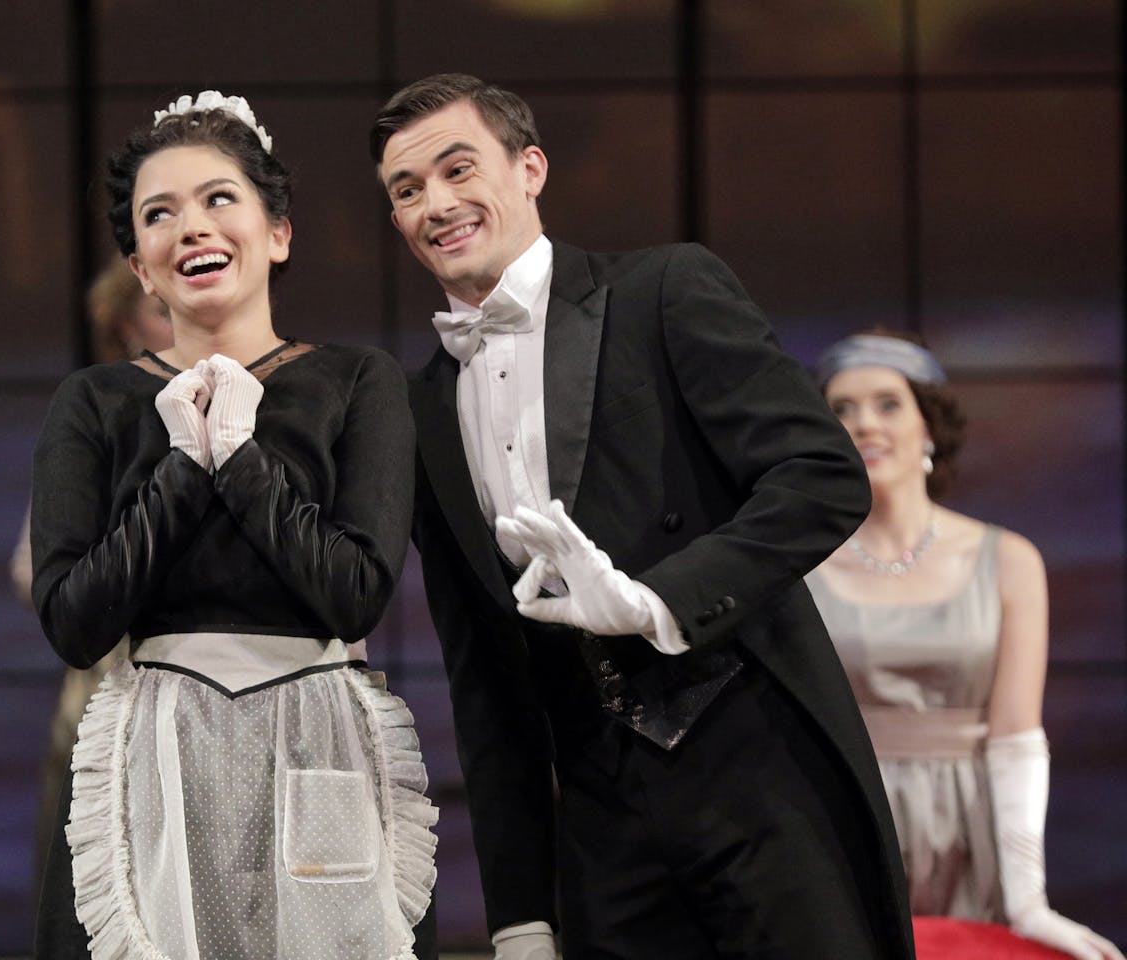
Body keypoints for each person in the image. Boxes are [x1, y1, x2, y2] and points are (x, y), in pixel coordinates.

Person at [370, 73, 913, 959]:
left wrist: (655, 602)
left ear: (531, 167)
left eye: (459, 169)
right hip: (600, 834)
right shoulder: (420, 409)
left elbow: (822, 477)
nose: (437, 203)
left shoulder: (664, 290)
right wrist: (518, 914)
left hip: (759, 781)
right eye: (407, 190)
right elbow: (486, 683)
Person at [31, 91, 437, 960]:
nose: (192, 227)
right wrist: (182, 466)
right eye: (159, 214)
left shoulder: (358, 382)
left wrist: (239, 456)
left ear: (277, 232)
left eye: (220, 199)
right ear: (140, 266)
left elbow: (355, 595)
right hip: (156, 750)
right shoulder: (95, 402)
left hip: (318, 736)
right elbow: (74, 620)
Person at [806, 331, 1124, 960]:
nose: (864, 423)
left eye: (887, 403)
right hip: (839, 821)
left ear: (929, 424)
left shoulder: (1006, 560)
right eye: (842, 409)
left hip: (968, 825)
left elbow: (1015, 737)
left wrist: (1027, 899)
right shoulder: (797, 566)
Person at [8, 258, 174, 879]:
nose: (177, 320)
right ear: (126, 324)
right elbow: (33, 568)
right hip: (112, 688)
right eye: (160, 309)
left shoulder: (250, 402)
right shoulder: (93, 419)